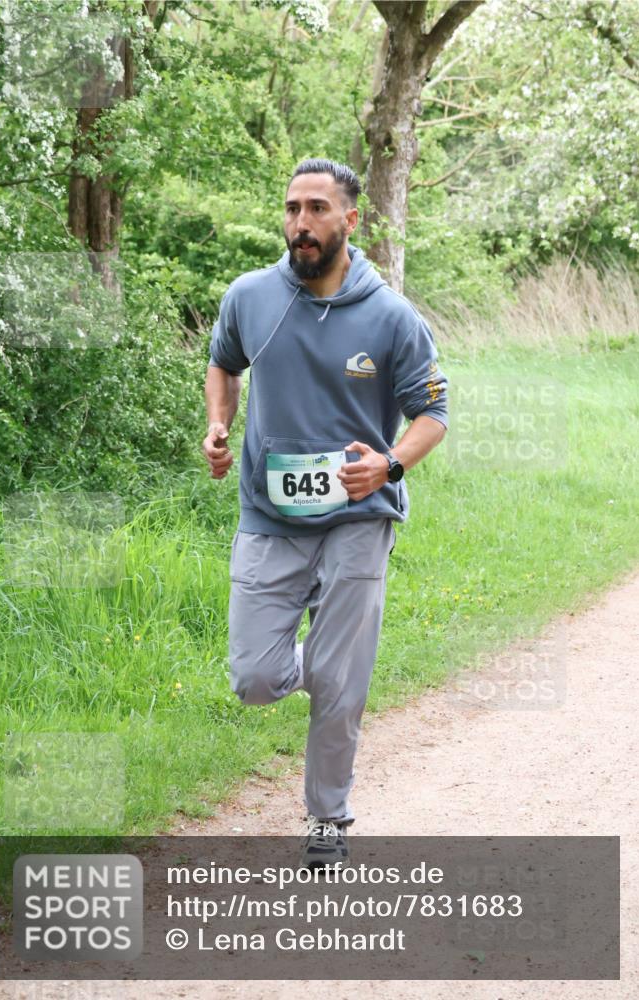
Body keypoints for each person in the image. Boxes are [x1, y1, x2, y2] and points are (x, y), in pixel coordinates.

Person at [202, 158, 448, 869]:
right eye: (291, 209)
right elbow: (224, 362)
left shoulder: (392, 317)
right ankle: (330, 665)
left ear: (350, 219)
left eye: (316, 209)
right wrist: (218, 425)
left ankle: (327, 820)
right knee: (253, 677)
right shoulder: (249, 296)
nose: (300, 224)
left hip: (358, 518)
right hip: (268, 516)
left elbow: (432, 411)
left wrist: (390, 463)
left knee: (339, 689)